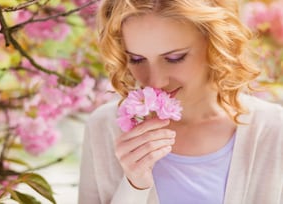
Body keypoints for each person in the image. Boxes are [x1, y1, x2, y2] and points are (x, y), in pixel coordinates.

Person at [78, 0, 283, 203]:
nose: (156, 81)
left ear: (215, 43)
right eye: (137, 59)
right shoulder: (104, 127)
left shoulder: (274, 129)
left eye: (175, 58)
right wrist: (134, 185)